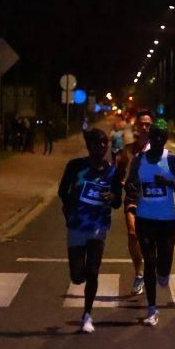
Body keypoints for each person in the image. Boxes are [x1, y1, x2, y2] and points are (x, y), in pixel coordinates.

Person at [124, 121, 175, 326]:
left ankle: (164, 274)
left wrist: (169, 182)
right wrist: (131, 186)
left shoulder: (171, 159)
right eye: (154, 136)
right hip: (145, 219)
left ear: (166, 139)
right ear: (149, 138)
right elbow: (130, 182)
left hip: (166, 221)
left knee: (163, 264)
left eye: (162, 137)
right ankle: (152, 309)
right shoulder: (139, 160)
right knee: (150, 262)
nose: (158, 140)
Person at [58, 129, 123, 334]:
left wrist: (112, 197)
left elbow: (117, 201)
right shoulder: (75, 166)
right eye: (97, 143)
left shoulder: (112, 172)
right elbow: (62, 191)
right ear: (89, 146)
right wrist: (69, 209)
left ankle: (87, 315)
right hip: (77, 225)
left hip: (98, 225)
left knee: (93, 271)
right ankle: (81, 277)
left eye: (104, 143)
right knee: (78, 276)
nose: (101, 147)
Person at [115, 110, 153, 296]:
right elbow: (119, 170)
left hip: (152, 198)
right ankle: (139, 273)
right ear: (137, 125)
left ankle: (151, 268)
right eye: (142, 124)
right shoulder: (128, 149)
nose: (144, 127)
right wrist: (120, 181)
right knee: (132, 234)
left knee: (149, 239)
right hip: (133, 196)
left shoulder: (158, 151)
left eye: (148, 124)